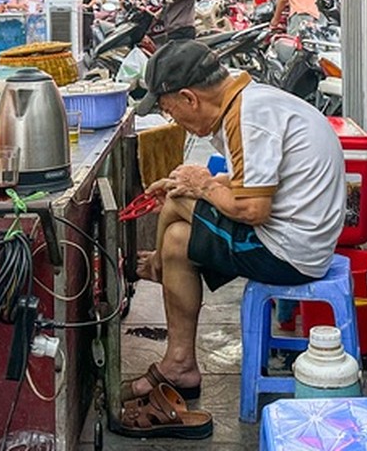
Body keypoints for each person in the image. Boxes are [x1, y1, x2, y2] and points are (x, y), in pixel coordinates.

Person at [121, 40, 345, 406]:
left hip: (290, 252)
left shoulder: (249, 116)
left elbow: (253, 209)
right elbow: (257, 181)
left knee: (178, 203)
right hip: (303, 241)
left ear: (189, 98)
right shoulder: (252, 101)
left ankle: (157, 269)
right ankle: (180, 364)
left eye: (168, 109)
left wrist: (203, 185)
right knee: (178, 235)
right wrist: (200, 183)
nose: (172, 119)